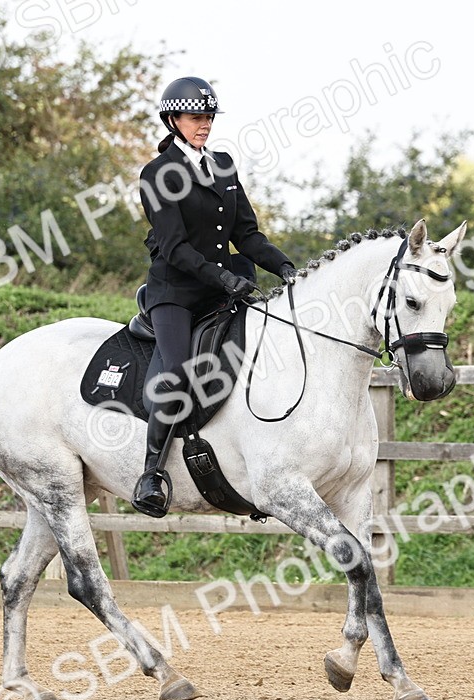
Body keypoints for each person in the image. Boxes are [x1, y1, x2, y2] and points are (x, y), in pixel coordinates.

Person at [131, 76, 298, 518]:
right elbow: (174, 247)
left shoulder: (223, 164)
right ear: (173, 120)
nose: (204, 125)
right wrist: (223, 279)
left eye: (208, 117)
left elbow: (246, 234)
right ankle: (151, 474)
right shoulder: (157, 174)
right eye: (195, 117)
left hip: (224, 287)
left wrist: (284, 266)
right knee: (178, 375)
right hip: (176, 293)